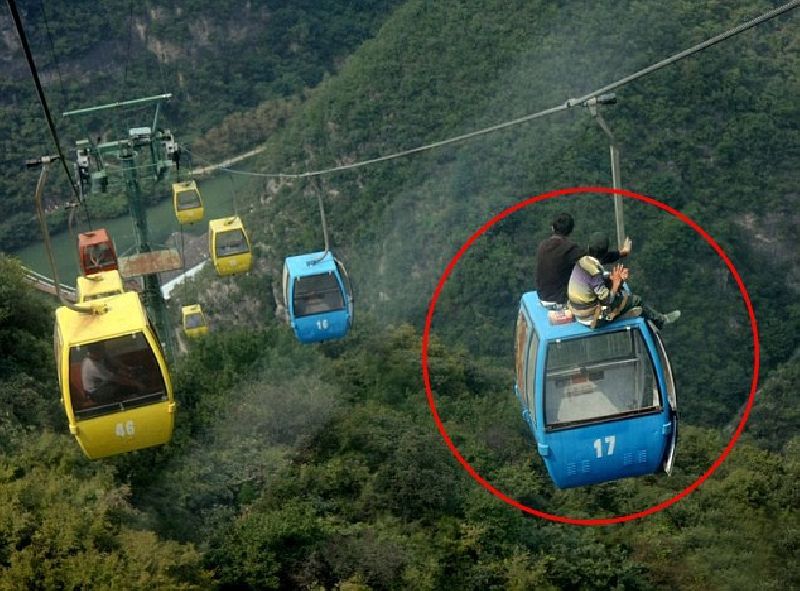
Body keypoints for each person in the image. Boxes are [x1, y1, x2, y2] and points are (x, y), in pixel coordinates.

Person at [567, 232, 680, 329]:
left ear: (588, 247)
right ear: (605, 253)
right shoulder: (595, 272)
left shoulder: (581, 262)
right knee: (635, 300)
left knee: (613, 285)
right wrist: (616, 284)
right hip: (592, 319)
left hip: (579, 314)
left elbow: (592, 284)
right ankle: (661, 320)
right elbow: (607, 300)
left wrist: (611, 278)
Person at [536, 212, 631, 305]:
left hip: (542, 296)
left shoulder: (542, 245)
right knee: (598, 279)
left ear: (552, 228)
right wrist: (622, 253)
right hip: (559, 300)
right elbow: (595, 257)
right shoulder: (569, 249)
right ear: (571, 230)